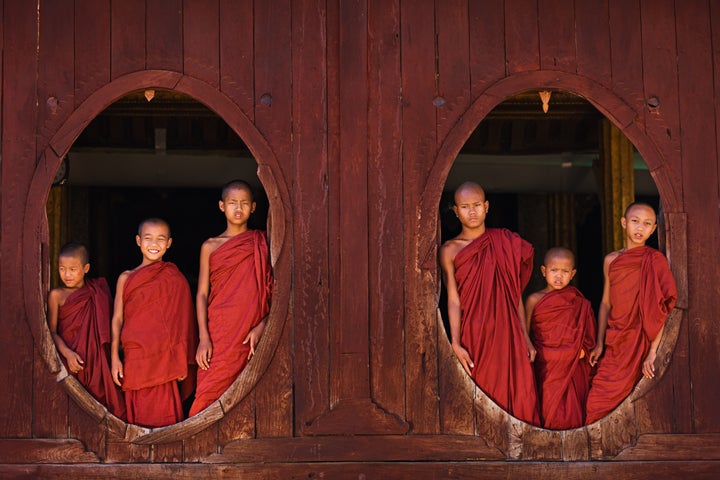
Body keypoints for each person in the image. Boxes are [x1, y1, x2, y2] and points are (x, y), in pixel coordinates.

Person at [439, 181, 540, 426]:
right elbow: (453, 299)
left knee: (520, 393)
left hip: (509, 333)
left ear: (486, 207)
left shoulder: (504, 242)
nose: (472, 211)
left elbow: (514, 294)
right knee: (482, 393)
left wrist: (525, 337)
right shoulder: (450, 250)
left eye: (476, 205)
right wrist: (454, 342)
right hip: (475, 334)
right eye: (465, 206)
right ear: (455, 211)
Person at [585, 202, 677, 424]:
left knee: (635, 406)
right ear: (624, 223)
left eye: (647, 224)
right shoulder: (612, 260)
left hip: (641, 341)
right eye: (635, 221)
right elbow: (606, 303)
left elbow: (664, 307)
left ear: (654, 229)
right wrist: (599, 343)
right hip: (616, 340)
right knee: (596, 401)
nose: (640, 228)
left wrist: (653, 351)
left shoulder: (655, 261)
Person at [189, 180, 273, 417]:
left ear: (253, 207)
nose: (239, 208)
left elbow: (274, 287)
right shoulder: (210, 246)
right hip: (220, 331)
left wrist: (263, 324)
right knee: (208, 392)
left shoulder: (262, 242)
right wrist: (203, 338)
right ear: (221, 206)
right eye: (233, 202)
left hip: (251, 330)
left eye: (244, 203)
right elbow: (202, 293)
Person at [110, 218, 197, 428]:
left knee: (165, 417)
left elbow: (184, 321)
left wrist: (181, 360)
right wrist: (114, 357)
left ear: (169, 243)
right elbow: (117, 319)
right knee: (136, 417)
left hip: (165, 362)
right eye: (148, 238)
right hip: (136, 358)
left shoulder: (175, 279)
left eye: (160, 239)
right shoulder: (126, 278)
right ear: (138, 241)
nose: (154, 244)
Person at [47, 242, 126, 420]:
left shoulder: (97, 292)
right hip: (69, 362)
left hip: (96, 362)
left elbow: (109, 328)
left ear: (85, 268)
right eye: (62, 268)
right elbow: (51, 332)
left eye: (73, 269)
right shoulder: (56, 296)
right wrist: (67, 354)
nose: (66, 274)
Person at [525, 247, 596, 429]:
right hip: (546, 364)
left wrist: (580, 351)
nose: (559, 276)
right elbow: (523, 333)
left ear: (572, 274)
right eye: (554, 270)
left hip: (573, 365)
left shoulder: (578, 302)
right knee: (547, 407)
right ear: (543, 271)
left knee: (573, 412)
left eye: (565, 271)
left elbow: (588, 338)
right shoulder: (534, 299)